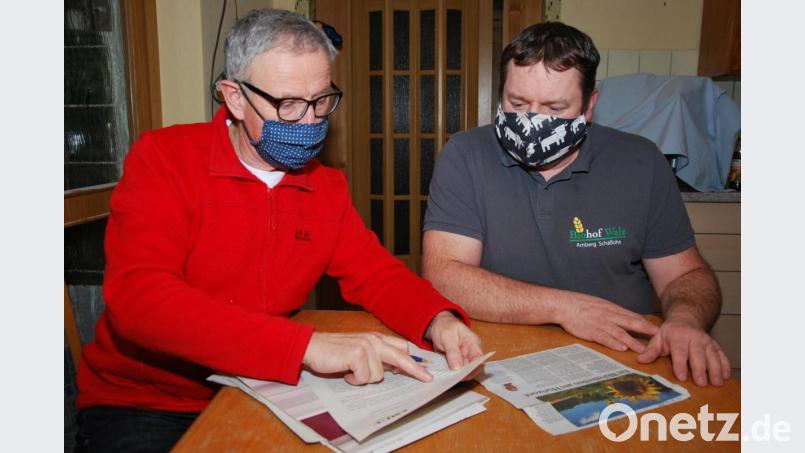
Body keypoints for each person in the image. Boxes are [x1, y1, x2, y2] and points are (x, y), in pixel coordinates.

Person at [75, 9, 482, 452]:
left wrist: (437, 319)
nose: (310, 121)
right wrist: (304, 347)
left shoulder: (325, 186)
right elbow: (139, 301)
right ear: (234, 98)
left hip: (266, 386)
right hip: (149, 403)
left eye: (322, 100)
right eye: (288, 104)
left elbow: (377, 275)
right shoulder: (164, 159)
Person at [422, 22, 730, 389]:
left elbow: (685, 276)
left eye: (555, 107)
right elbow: (445, 275)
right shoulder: (466, 155)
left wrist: (685, 320)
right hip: (498, 359)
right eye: (517, 103)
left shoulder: (641, 162)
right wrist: (566, 309)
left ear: (589, 105)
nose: (531, 120)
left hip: (623, 360)